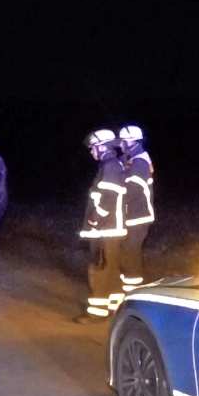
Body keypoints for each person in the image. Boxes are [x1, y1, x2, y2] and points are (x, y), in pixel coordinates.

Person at [77, 128, 128, 321]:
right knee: (111, 267)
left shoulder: (110, 166)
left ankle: (97, 312)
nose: (91, 152)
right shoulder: (111, 165)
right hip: (111, 227)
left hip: (106, 227)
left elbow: (108, 197)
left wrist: (95, 219)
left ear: (102, 147)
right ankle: (115, 306)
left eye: (93, 148)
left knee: (100, 269)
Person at [119, 124, 154, 292]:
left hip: (138, 215)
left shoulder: (139, 162)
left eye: (124, 141)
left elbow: (132, 189)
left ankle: (133, 292)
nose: (121, 145)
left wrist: (116, 200)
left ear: (133, 141)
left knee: (130, 253)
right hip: (133, 214)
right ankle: (127, 290)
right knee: (127, 252)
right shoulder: (133, 160)